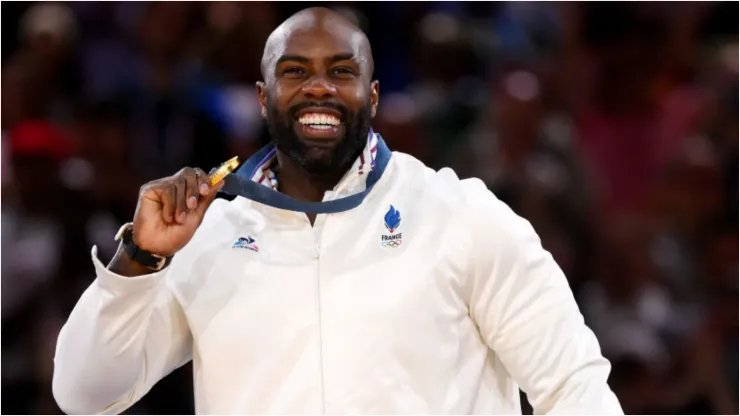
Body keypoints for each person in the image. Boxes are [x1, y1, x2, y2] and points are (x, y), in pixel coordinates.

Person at [52, 7, 623, 415]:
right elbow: (83, 397)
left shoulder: (461, 214)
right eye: (295, 71)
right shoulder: (208, 236)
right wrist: (140, 258)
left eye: (342, 71)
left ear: (372, 96)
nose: (318, 87)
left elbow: (573, 386)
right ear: (263, 96)